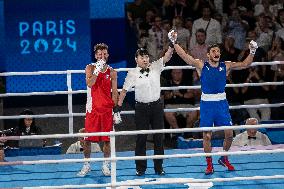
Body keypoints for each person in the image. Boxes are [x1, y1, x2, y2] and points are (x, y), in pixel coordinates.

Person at [169, 30, 258, 174]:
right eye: (213, 51)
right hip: (207, 104)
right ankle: (209, 164)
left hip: (222, 103)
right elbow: (185, 56)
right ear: (208, 55)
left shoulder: (226, 65)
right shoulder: (201, 65)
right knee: (207, 136)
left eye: (218, 51)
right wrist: (173, 43)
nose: (217, 53)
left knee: (229, 134)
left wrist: (252, 51)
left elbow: (245, 64)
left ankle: (224, 158)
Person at [117, 41, 174, 176]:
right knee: (141, 139)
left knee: (159, 138)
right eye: (142, 57)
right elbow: (124, 91)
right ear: (136, 59)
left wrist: (172, 44)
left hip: (156, 106)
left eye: (146, 56)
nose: (145, 59)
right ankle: (140, 168)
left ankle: (158, 167)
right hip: (141, 108)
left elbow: (167, 56)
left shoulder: (155, 66)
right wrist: (118, 106)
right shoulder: (132, 73)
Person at [77, 43, 121, 177]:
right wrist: (98, 70)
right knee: (87, 139)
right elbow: (90, 83)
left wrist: (116, 110)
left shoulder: (112, 72)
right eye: (99, 54)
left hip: (107, 111)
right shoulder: (89, 67)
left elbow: (114, 92)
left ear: (107, 55)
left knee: (107, 140)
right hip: (93, 110)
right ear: (96, 55)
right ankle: (86, 165)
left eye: (104, 54)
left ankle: (105, 165)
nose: (102, 56)